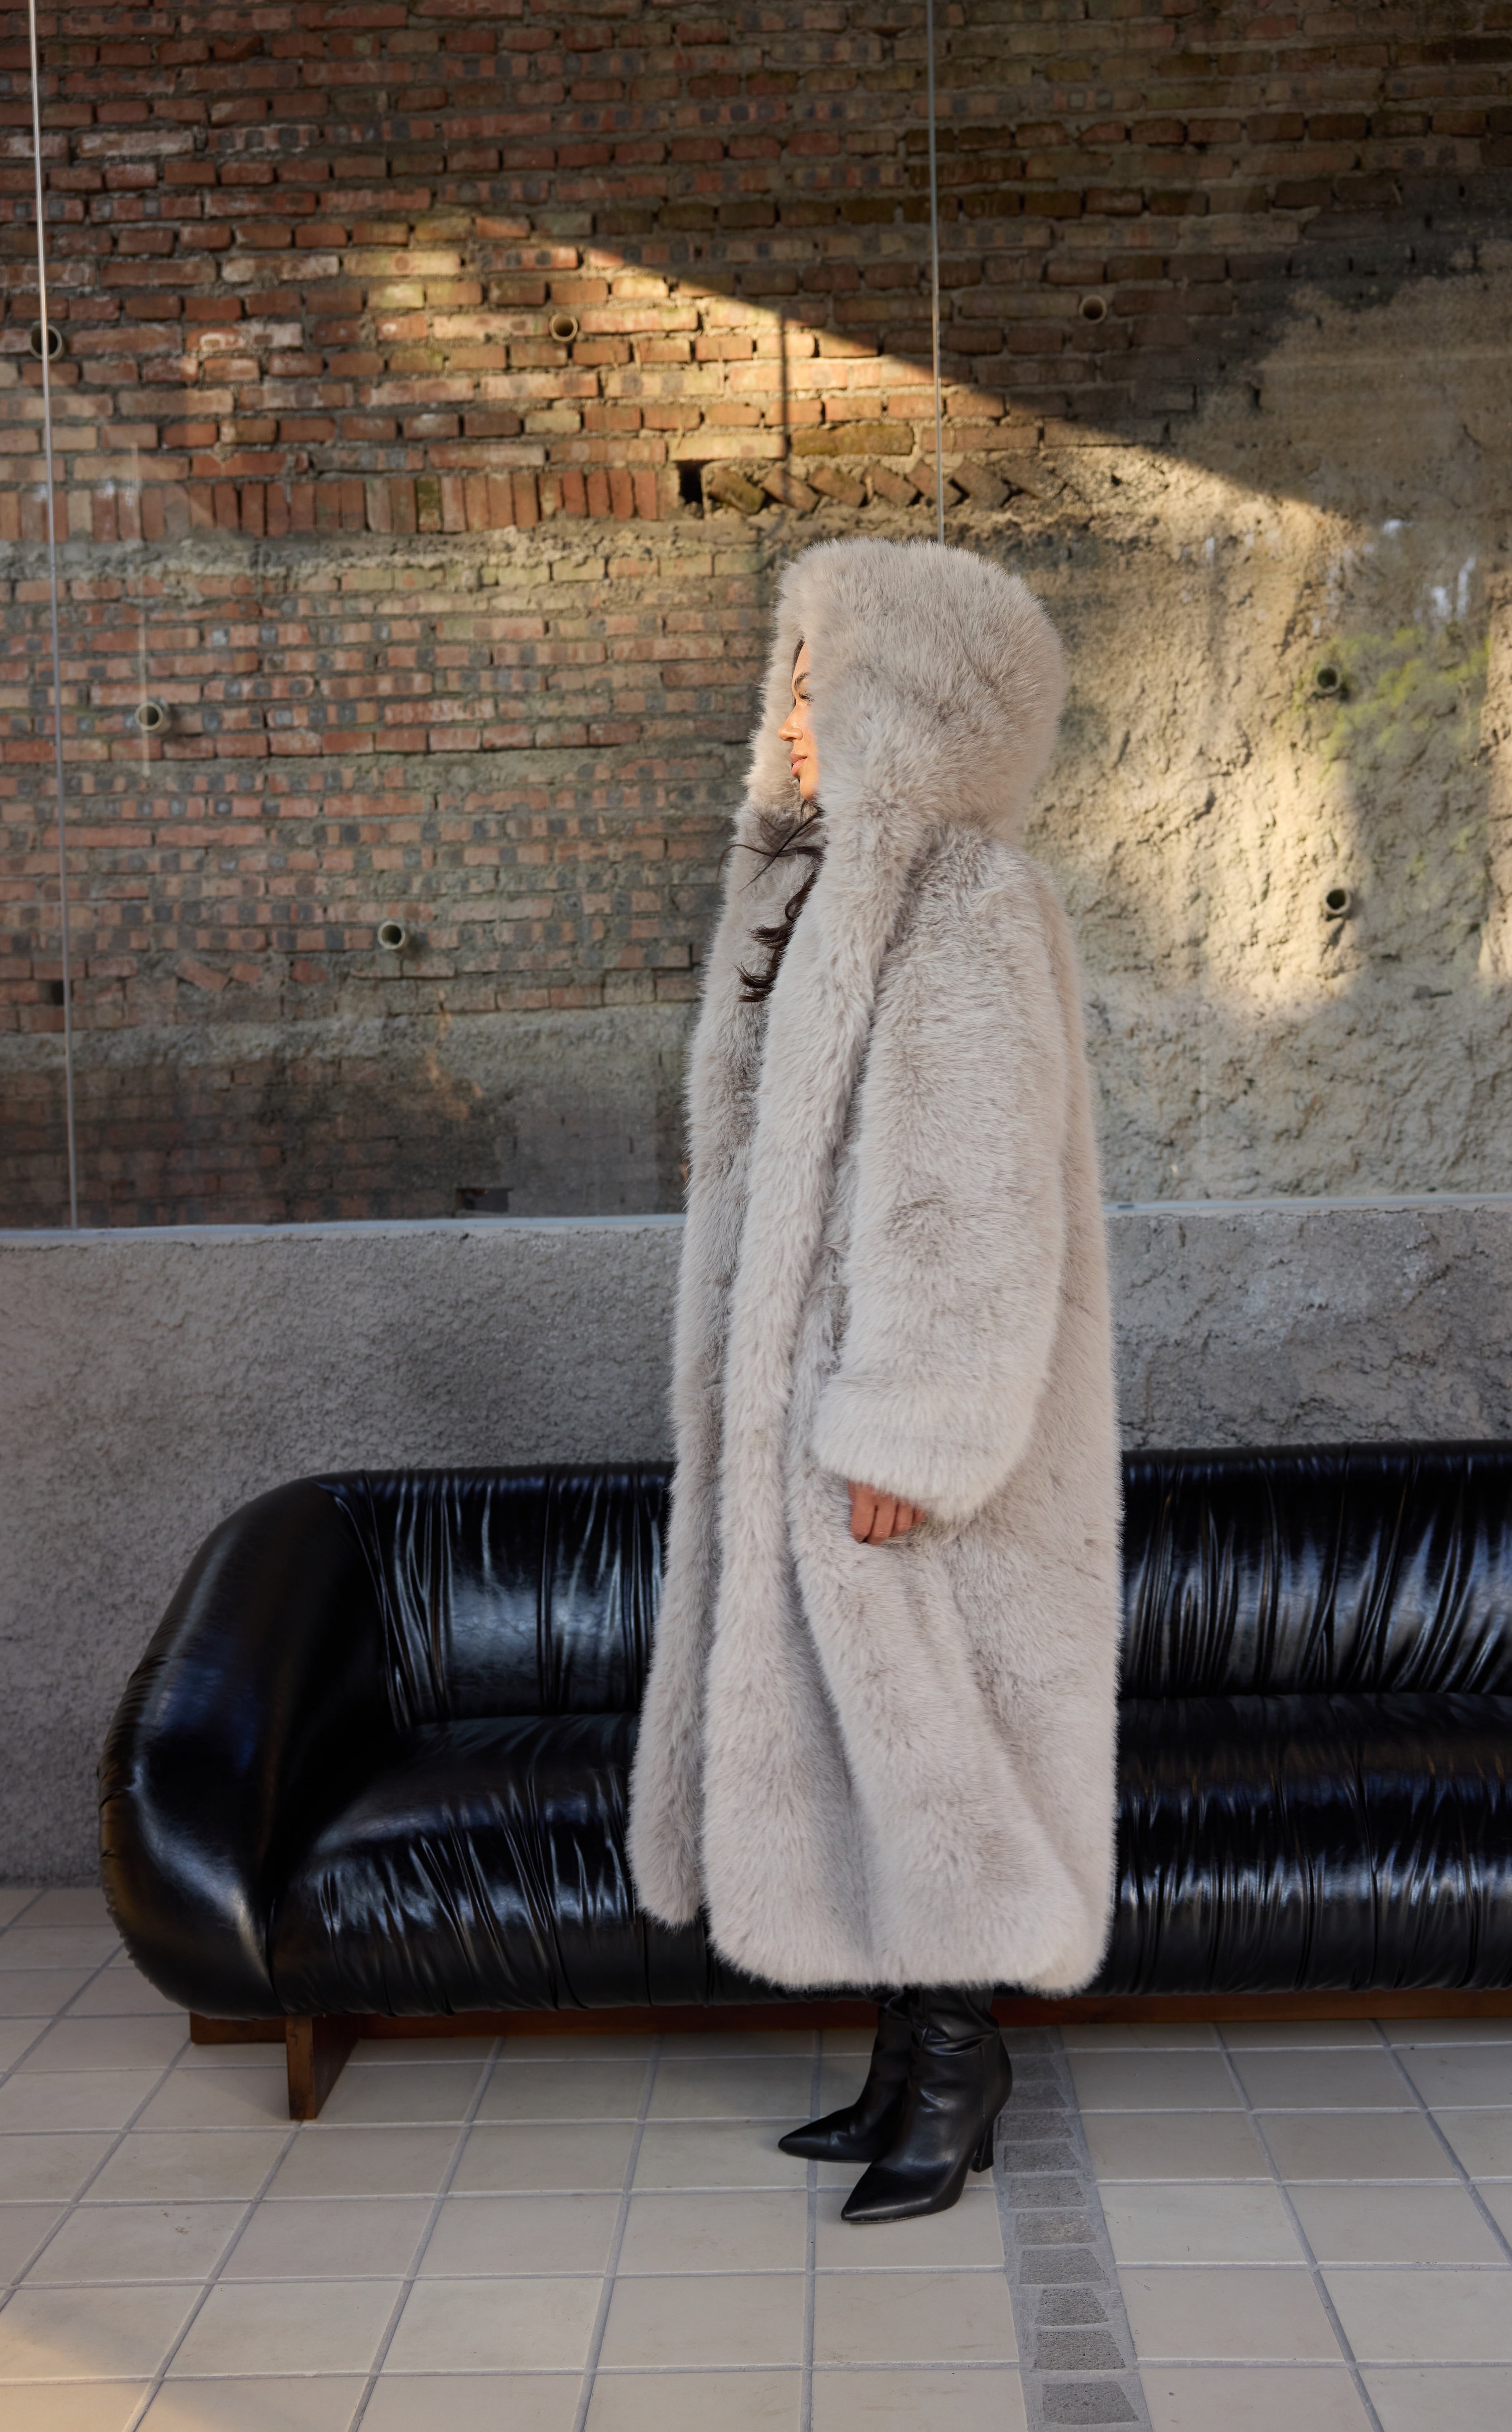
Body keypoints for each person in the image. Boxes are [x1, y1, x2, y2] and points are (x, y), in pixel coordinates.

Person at [627, 535, 1121, 2223]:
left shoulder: (962, 901)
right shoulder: (806, 903)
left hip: (906, 1433)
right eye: (788, 676)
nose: (788, 709)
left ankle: (956, 2065)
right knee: (872, 1736)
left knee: (936, 1739)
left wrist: (912, 1424)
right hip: (807, 1413)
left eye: (816, 672)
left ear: (906, 692)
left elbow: (968, 1194)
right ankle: (909, 2064)